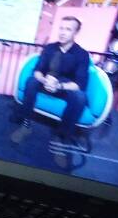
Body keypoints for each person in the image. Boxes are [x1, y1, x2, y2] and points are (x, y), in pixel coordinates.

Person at [10, 17, 90, 146]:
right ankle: (26, 124)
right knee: (31, 81)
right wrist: (44, 80)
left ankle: (61, 135)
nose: (62, 32)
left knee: (80, 97)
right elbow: (37, 70)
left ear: (76, 33)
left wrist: (59, 86)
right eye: (61, 28)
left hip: (64, 88)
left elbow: (80, 84)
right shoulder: (50, 48)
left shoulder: (82, 54)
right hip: (46, 82)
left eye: (68, 29)